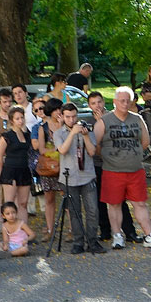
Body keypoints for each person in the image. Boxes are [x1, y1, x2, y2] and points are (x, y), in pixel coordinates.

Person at [93, 86, 151, 249]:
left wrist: (131, 155)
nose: (124, 103)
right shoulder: (104, 121)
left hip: (135, 170)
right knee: (114, 204)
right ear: (114, 102)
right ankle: (117, 236)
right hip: (112, 171)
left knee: (140, 203)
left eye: (127, 100)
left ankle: (149, 235)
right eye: (121, 100)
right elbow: (95, 145)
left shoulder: (137, 118)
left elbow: (145, 142)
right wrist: (111, 157)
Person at [54, 103, 106, 254]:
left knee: (92, 210)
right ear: (63, 117)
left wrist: (84, 136)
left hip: (87, 176)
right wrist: (72, 134)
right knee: (74, 211)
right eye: (68, 117)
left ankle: (92, 241)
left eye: (74, 116)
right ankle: (78, 242)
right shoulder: (59, 133)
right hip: (69, 178)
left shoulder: (87, 130)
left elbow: (92, 152)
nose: (71, 120)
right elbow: (62, 150)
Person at [89, 92, 137, 241]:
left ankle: (129, 231)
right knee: (101, 200)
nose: (97, 105)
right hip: (98, 164)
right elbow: (94, 145)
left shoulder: (113, 117)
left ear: (104, 102)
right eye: (93, 103)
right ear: (89, 106)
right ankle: (105, 231)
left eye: (99, 102)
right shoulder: (88, 122)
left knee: (120, 200)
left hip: (115, 165)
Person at [33, 99, 67, 239]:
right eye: (54, 109)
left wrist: (61, 127)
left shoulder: (66, 125)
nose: (58, 112)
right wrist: (56, 150)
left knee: (67, 198)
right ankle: (50, 229)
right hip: (48, 167)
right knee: (49, 199)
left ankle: (71, 229)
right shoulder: (43, 128)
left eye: (59, 109)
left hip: (64, 166)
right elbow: (41, 149)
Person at [0, 105, 33, 226]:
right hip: (10, 170)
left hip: (24, 169)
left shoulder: (27, 134)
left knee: (23, 203)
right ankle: (9, 232)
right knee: (9, 203)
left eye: (22, 117)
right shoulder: (7, 136)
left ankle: (23, 230)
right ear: (12, 120)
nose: (20, 120)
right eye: (17, 118)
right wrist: (2, 173)